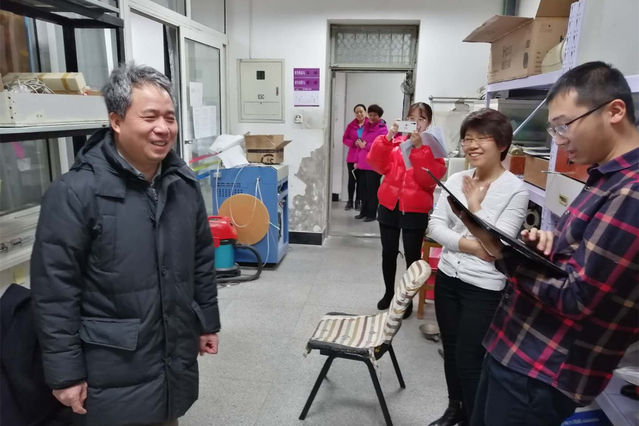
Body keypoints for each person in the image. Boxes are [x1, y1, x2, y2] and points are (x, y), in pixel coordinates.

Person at [30, 63, 221, 426]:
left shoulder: (182, 185)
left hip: (170, 357)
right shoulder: (74, 193)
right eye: (150, 117)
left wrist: (206, 323)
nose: (163, 128)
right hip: (110, 366)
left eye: (169, 117)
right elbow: (55, 292)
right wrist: (65, 374)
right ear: (116, 121)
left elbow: (201, 260)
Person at [453, 62, 639, 426]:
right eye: (554, 129)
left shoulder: (631, 193)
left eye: (564, 126)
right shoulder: (605, 177)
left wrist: (501, 251)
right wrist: (548, 246)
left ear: (615, 111)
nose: (559, 139)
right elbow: (580, 261)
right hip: (518, 348)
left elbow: (579, 297)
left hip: (542, 367)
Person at [427, 109, 529, 426]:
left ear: (502, 144)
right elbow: (434, 226)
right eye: (467, 138)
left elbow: (497, 247)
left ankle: (474, 418)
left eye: (481, 138)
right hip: (447, 277)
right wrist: (470, 245)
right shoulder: (456, 180)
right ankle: (455, 408)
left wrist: (474, 206)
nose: (472, 145)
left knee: (470, 358)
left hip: (483, 288)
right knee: (451, 348)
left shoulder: (516, 190)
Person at [367, 102, 447, 318]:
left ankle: (407, 299)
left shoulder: (434, 150)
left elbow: (427, 180)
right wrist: (388, 137)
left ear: (429, 123)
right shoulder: (394, 143)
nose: (416, 123)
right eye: (412, 118)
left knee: (412, 257)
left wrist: (419, 149)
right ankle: (389, 293)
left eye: (421, 119)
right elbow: (376, 164)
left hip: (415, 209)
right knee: (388, 252)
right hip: (389, 205)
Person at [355, 104, 388, 222]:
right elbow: (361, 144)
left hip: (373, 165)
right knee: (362, 190)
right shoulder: (365, 126)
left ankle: (372, 214)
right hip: (363, 163)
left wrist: (366, 145)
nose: (372, 117)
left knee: (372, 191)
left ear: (379, 116)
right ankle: (363, 212)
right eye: (370, 115)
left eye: (375, 115)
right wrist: (357, 159)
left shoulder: (382, 129)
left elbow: (381, 146)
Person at [343, 104, 368, 211]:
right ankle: (350, 201)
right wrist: (353, 143)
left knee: (361, 181)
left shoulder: (370, 124)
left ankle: (358, 201)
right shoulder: (351, 125)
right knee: (352, 179)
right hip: (352, 156)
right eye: (357, 112)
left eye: (361, 111)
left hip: (364, 156)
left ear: (365, 112)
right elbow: (345, 139)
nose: (359, 114)